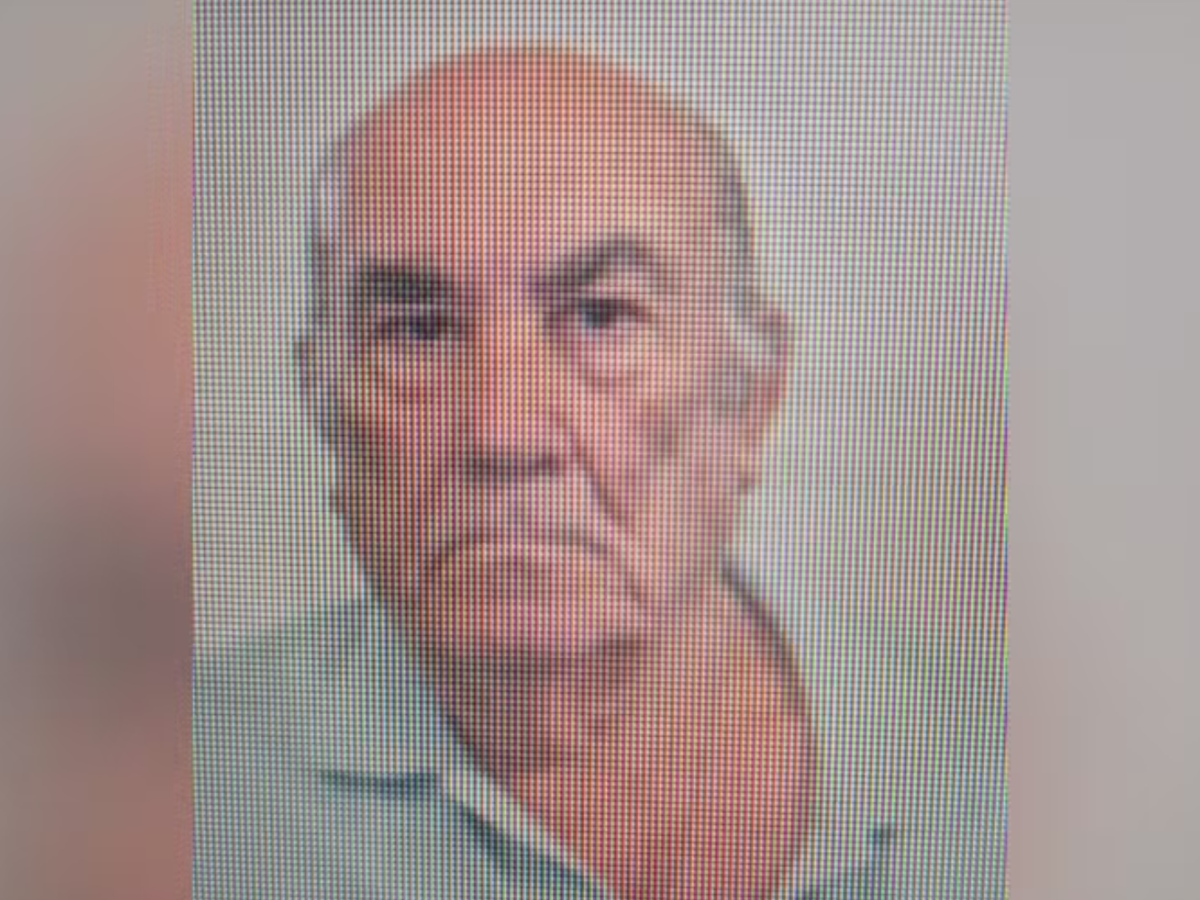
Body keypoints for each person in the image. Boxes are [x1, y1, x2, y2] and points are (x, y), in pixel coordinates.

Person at [195, 46, 1003, 900]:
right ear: (323, 406)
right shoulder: (192, 789)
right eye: (418, 332)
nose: (504, 434)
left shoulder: (992, 775)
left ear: (752, 400)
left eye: (602, 318)